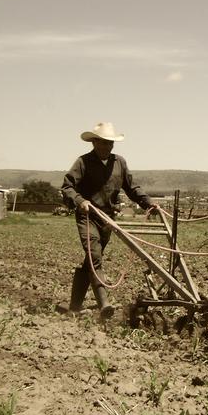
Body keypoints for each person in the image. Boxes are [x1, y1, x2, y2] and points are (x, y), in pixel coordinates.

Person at [61, 122, 155, 317]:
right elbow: (67, 187)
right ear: (94, 142)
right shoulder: (83, 162)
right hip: (88, 216)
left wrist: (149, 203)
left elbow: (132, 188)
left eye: (110, 143)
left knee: (91, 261)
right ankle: (104, 304)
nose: (107, 146)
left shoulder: (119, 162)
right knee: (94, 255)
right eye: (103, 142)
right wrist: (80, 201)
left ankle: (74, 306)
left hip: (108, 219)